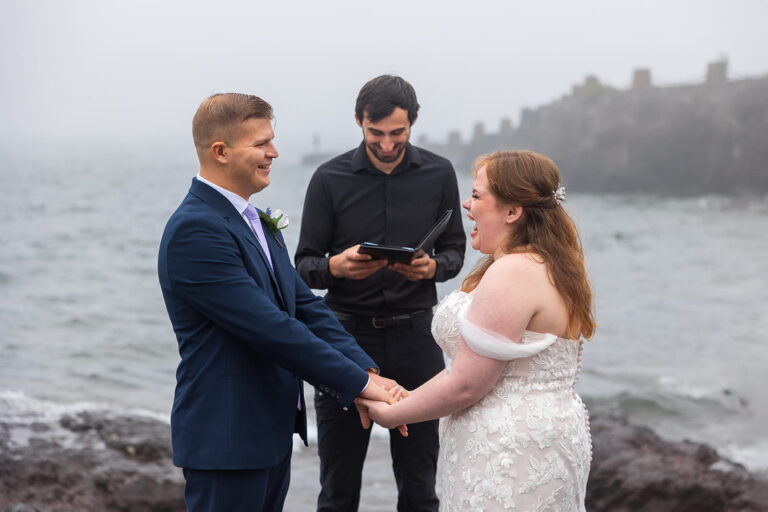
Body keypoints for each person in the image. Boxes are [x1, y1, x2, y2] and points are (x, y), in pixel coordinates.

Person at [157, 93, 398, 512]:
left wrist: (364, 368)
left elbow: (304, 306)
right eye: (261, 144)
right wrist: (359, 387)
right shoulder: (196, 229)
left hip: (269, 435)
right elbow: (270, 328)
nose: (275, 152)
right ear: (220, 151)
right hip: (227, 441)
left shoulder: (254, 220)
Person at [358, 150, 595, 511]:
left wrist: (393, 413)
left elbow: (469, 383)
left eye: (477, 195)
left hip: (509, 450)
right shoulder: (552, 264)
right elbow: (466, 371)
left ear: (513, 212)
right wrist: (409, 395)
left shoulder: (513, 271)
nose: (467, 205)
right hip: (544, 438)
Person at [295, 75, 466, 511]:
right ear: (358, 122)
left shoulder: (440, 172)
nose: (388, 144)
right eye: (376, 134)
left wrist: (433, 267)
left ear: (413, 122)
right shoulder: (328, 178)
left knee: (420, 486)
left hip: (418, 339)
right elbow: (304, 266)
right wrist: (335, 266)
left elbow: (455, 250)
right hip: (346, 341)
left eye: (398, 133)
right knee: (338, 488)